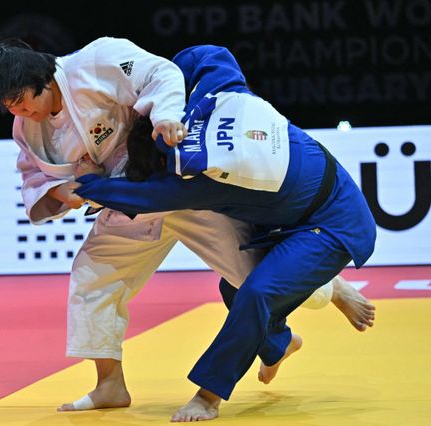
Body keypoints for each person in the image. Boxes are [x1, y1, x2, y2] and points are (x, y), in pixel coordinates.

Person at [0, 37, 373, 413]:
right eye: (9, 106)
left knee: (251, 279)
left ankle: (329, 290)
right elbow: (34, 177)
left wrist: (167, 116)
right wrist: (64, 193)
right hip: (122, 201)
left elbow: (161, 72)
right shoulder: (28, 130)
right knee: (93, 277)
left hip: (172, 178)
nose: (20, 111)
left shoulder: (96, 60)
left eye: (22, 100)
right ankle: (110, 385)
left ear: (42, 78)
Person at [72, 44, 377, 421]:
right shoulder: (217, 92)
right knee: (235, 283)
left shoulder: (199, 177)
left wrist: (85, 185)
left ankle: (208, 397)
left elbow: (143, 197)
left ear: (165, 165)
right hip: (301, 202)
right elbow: (209, 53)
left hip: (333, 223)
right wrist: (168, 93)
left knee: (257, 292)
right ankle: (277, 344)